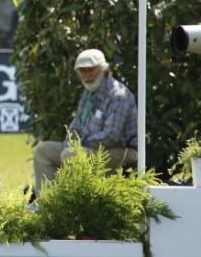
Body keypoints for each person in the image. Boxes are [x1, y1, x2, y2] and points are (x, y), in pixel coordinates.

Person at [32, 49, 138, 197]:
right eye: (83, 71)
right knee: (43, 150)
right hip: (90, 149)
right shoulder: (88, 93)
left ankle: (74, 206)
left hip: (121, 151)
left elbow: (111, 136)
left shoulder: (118, 95)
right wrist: (70, 143)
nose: (87, 75)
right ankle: (46, 205)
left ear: (103, 69)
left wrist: (79, 144)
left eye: (91, 70)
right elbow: (75, 127)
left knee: (72, 154)